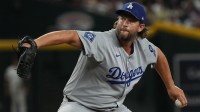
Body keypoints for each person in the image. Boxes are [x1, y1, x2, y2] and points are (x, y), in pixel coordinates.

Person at [23, 2, 187, 112]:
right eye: (122, 18)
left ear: (140, 27)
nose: (124, 22)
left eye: (131, 20)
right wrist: (36, 44)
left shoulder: (144, 47)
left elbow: (159, 56)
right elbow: (69, 35)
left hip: (112, 108)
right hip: (79, 106)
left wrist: (170, 86)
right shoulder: (102, 41)